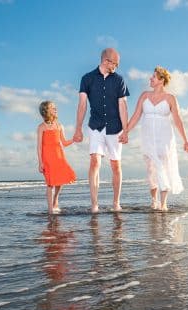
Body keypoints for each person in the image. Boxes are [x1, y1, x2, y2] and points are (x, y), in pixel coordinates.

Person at [120, 66, 188, 211]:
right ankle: (154, 200)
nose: (150, 79)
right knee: (151, 168)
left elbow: (178, 120)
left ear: (161, 80)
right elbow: (136, 116)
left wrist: (185, 140)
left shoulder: (171, 98)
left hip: (164, 137)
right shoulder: (144, 95)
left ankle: (163, 203)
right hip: (147, 137)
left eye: (153, 77)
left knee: (163, 167)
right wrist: (125, 131)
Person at [73, 48, 129, 213]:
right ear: (107, 61)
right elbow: (82, 105)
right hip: (95, 126)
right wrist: (78, 129)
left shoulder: (119, 80)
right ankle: (94, 204)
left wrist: (126, 130)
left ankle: (116, 202)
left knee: (115, 165)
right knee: (95, 162)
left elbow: (123, 106)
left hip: (115, 128)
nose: (117, 67)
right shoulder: (87, 78)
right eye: (115, 64)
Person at [37, 100, 76, 214]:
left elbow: (64, 142)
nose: (55, 108)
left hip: (59, 156)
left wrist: (74, 139)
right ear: (46, 111)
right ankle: (50, 211)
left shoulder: (59, 126)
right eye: (52, 107)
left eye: (55, 107)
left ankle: (56, 199)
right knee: (50, 183)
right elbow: (39, 147)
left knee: (60, 181)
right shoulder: (41, 127)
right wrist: (40, 162)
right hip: (47, 158)